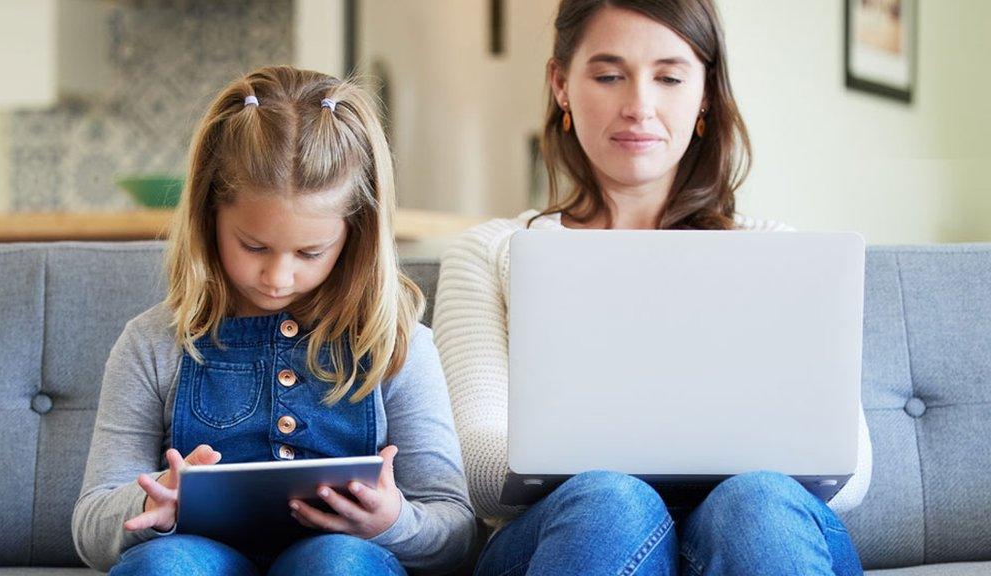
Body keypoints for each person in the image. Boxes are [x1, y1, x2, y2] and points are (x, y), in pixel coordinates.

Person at [433, 1, 872, 574]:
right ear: (561, 85)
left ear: (706, 92)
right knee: (612, 504)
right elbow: (479, 474)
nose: (639, 106)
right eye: (609, 75)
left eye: (668, 77)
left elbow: (852, 469)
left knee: (757, 503)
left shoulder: (776, 252)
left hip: (751, 529)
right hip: (575, 533)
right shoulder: (491, 251)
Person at [72, 65, 475, 576]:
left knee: (340, 564)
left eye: (310, 251)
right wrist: (150, 506)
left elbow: (456, 531)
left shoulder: (396, 345)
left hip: (340, 559)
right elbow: (90, 528)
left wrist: (392, 522)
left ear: (355, 236)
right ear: (208, 215)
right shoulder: (153, 343)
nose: (277, 277)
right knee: (165, 566)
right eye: (254, 246)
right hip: (192, 555)